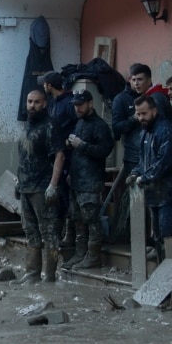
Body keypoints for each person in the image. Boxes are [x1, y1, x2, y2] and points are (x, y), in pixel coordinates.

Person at [11, 89, 65, 284]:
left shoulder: (50, 125)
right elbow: (24, 157)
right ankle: (32, 274)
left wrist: (53, 185)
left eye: (36, 102)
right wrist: (18, 182)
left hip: (42, 187)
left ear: (44, 104)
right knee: (30, 232)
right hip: (26, 187)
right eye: (29, 101)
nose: (32, 105)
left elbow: (60, 155)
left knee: (48, 232)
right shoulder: (27, 125)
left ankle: (49, 277)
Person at [61, 89, 114, 271]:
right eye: (75, 105)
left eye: (80, 104)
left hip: (91, 180)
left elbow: (105, 151)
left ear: (90, 103)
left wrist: (82, 145)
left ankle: (93, 257)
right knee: (77, 218)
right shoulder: (79, 123)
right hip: (77, 179)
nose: (77, 108)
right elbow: (77, 152)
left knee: (91, 219)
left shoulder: (100, 126)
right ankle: (80, 254)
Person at [125, 95, 172, 262]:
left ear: (154, 111)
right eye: (138, 115)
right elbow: (143, 162)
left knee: (167, 235)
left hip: (165, 194)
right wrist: (134, 173)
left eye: (144, 114)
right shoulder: (144, 134)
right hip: (152, 195)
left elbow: (164, 162)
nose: (141, 118)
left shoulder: (165, 130)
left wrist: (144, 178)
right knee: (157, 237)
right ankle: (163, 274)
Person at [40, 70, 78, 247]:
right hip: (54, 156)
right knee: (59, 196)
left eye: (44, 84)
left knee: (68, 196)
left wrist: (69, 140)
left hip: (69, 157)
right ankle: (60, 232)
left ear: (49, 85)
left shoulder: (69, 103)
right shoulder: (53, 103)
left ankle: (70, 235)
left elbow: (79, 125)